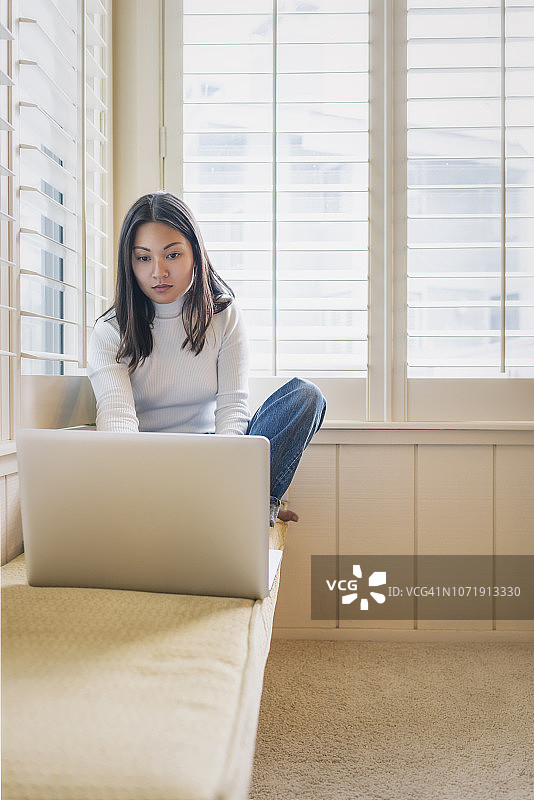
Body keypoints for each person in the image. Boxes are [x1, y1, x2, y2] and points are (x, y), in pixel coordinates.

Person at [87, 191, 326, 526]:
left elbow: (232, 410)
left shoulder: (223, 315)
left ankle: (254, 505)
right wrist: (139, 487)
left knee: (305, 396)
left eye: (172, 255)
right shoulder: (110, 331)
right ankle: (235, 506)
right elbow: (118, 423)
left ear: (195, 254)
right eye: (143, 258)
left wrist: (224, 476)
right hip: (146, 464)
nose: (158, 272)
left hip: (212, 458)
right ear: (129, 263)